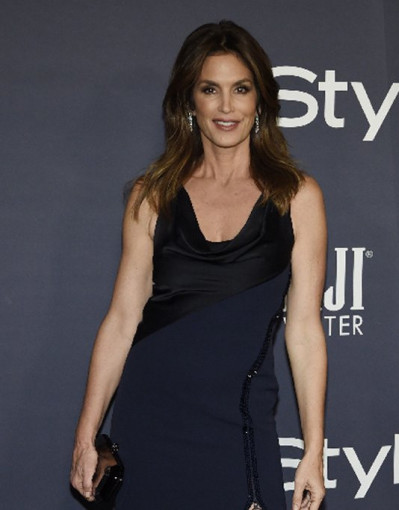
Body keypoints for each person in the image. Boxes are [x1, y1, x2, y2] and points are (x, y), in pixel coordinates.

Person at [70, 21, 327, 510]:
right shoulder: (152, 195)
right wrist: (86, 436)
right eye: (211, 89)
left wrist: (313, 449)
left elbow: (305, 331)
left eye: (241, 89)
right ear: (190, 101)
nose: (226, 106)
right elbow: (122, 319)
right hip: (149, 421)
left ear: (260, 101)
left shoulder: (296, 197)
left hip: (239, 424)